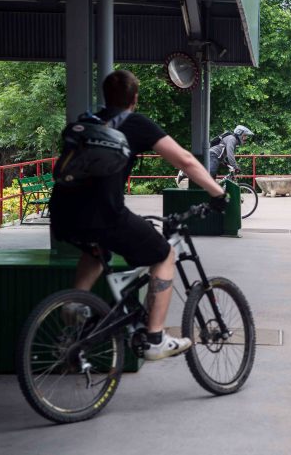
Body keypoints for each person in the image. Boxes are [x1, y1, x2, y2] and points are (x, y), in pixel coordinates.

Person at [49, 69, 228, 361]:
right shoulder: (135, 123)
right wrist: (217, 192)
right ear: (134, 98)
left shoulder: (87, 123)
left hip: (64, 213)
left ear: (106, 97)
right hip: (105, 215)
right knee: (163, 255)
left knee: (97, 250)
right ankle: (155, 337)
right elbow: (184, 160)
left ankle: (75, 303)